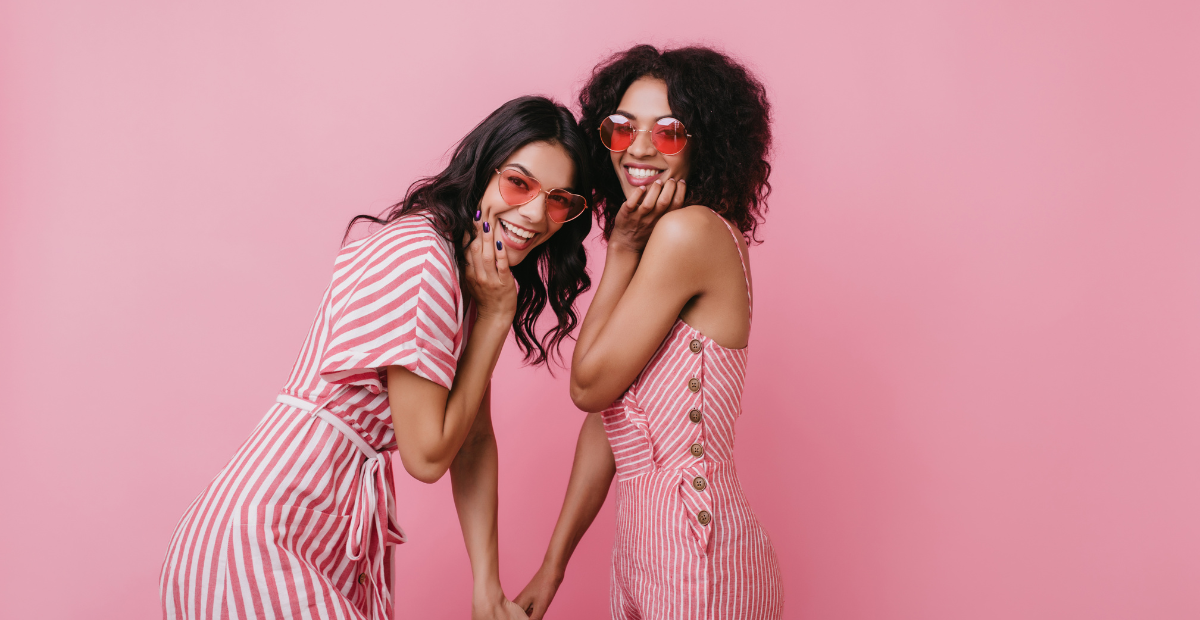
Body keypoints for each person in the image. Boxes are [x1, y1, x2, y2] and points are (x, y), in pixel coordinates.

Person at [161, 95, 593, 620]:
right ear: (483, 170)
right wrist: (498, 318)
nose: (533, 214)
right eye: (518, 183)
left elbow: (472, 436)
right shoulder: (424, 261)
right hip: (262, 546)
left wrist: (486, 584)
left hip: (311, 535)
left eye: (557, 201)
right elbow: (429, 455)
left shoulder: (463, 268)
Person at [515, 45, 783, 619]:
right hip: (646, 554)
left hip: (698, 560)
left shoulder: (688, 235)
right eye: (621, 129)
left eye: (667, 132)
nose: (638, 149)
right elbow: (606, 418)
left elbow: (587, 386)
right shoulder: (674, 238)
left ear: (705, 141)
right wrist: (553, 565)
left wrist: (619, 250)